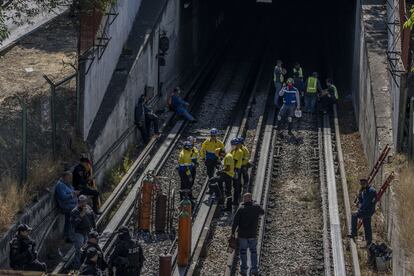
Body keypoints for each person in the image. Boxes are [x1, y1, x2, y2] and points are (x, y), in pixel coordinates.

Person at [231, 193, 264, 276]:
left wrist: (232, 233)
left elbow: (235, 222)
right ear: (251, 199)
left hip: (242, 235)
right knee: (253, 252)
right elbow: (262, 212)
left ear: (244, 199)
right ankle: (254, 269)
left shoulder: (241, 209)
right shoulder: (256, 207)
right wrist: (256, 203)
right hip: (252, 234)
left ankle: (244, 270)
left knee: (243, 252)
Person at [71, 195, 97, 269]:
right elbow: (73, 224)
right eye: (81, 202)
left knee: (87, 249)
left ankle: (85, 264)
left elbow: (93, 218)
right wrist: (80, 216)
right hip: (79, 232)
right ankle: (77, 266)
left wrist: (95, 229)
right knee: (79, 250)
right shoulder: (74, 211)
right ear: (78, 202)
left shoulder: (88, 208)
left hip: (88, 232)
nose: (83, 203)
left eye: (84, 201)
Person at [349, 179, 377, 245]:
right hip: (366, 210)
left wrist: (358, 210)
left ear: (367, 183)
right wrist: (359, 195)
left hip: (368, 210)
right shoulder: (365, 191)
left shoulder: (371, 191)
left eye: (363, 183)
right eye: (361, 184)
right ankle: (369, 241)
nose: (362, 185)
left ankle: (354, 233)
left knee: (354, 215)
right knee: (367, 225)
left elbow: (366, 203)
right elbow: (362, 201)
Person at [54, 171, 79, 243]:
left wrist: (75, 193)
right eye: (69, 177)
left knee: (69, 221)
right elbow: (63, 197)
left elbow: (72, 191)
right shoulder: (60, 185)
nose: (71, 179)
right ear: (64, 177)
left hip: (72, 205)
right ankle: (69, 236)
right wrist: (73, 194)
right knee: (77, 215)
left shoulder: (67, 184)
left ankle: (69, 235)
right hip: (66, 206)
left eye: (71, 177)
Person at [231, 137, 244, 207]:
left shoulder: (239, 151)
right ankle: (238, 193)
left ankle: (235, 201)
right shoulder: (234, 150)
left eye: (233, 144)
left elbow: (234, 161)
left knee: (236, 185)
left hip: (236, 169)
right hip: (235, 169)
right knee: (236, 184)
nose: (232, 146)